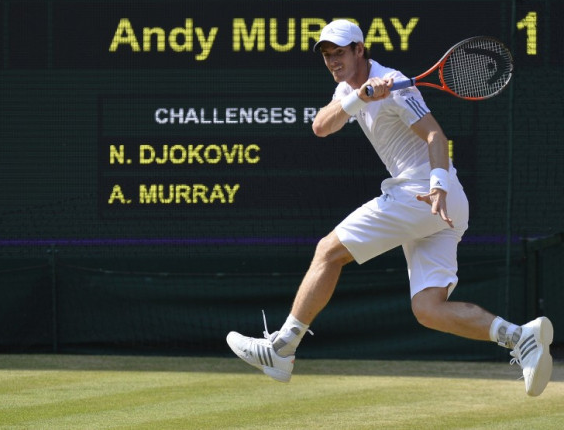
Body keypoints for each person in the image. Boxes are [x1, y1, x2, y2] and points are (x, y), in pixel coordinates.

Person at [226, 19, 554, 396]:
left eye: (340, 53)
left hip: (425, 192)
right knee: (428, 309)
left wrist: (436, 185)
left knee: (328, 252)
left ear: (359, 50)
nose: (333, 61)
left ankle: (282, 348)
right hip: (443, 204)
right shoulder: (348, 89)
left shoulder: (396, 85)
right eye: (328, 55)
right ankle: (520, 337)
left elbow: (436, 136)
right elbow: (320, 126)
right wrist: (360, 96)